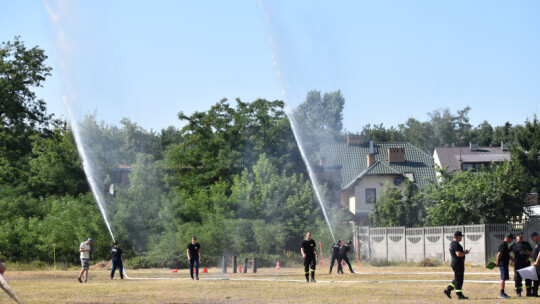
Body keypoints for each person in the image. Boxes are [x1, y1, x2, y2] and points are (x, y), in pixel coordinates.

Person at [443, 231, 470, 299]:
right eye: (460, 236)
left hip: (456, 263)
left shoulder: (452, 243)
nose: (461, 238)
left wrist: (463, 253)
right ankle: (459, 294)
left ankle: (448, 289)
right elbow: (458, 254)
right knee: (459, 279)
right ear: (457, 237)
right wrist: (465, 253)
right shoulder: (456, 244)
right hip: (458, 263)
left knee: (458, 278)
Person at [509, 232, 533, 297]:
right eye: (520, 237)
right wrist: (512, 259)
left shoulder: (526, 244)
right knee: (517, 279)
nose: (521, 238)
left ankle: (528, 292)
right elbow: (507, 253)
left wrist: (528, 253)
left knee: (528, 278)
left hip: (526, 263)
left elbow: (531, 251)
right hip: (518, 264)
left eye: (522, 237)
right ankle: (518, 292)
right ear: (516, 237)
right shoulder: (513, 245)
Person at [495, 233, 514, 299]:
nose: (511, 241)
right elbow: (499, 253)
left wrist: (512, 259)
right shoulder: (502, 244)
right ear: (508, 238)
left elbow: (507, 255)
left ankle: (503, 292)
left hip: (505, 264)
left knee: (504, 278)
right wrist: (497, 262)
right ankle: (501, 293)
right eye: (511, 239)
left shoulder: (505, 245)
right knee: (502, 278)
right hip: (502, 264)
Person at [531, 232, 540, 297]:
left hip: (539, 264)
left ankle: (534, 292)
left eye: (532, 238)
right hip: (537, 264)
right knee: (537, 278)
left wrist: (536, 261)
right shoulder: (537, 244)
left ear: (535, 237)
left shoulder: (539, 243)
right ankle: (534, 292)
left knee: (537, 278)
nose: (532, 240)